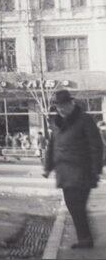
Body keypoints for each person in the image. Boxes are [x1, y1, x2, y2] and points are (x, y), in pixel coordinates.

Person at [43, 89, 104, 250]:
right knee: (73, 206)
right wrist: (47, 167)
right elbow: (52, 146)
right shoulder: (56, 123)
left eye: (63, 105)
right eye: (58, 106)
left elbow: (96, 146)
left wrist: (96, 169)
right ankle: (85, 238)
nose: (60, 109)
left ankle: (85, 239)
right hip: (64, 173)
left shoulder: (84, 119)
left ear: (71, 103)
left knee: (77, 206)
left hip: (82, 171)